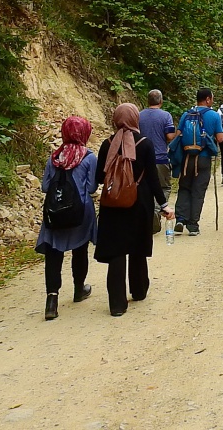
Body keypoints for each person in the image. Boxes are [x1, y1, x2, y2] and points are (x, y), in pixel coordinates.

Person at [95, 103, 171, 316]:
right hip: (139, 203)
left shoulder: (106, 144)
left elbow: (99, 177)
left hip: (113, 205)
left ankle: (117, 304)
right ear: (135, 119)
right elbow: (154, 179)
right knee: (137, 248)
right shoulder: (145, 144)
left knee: (117, 252)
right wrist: (163, 204)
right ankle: (138, 290)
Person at [35, 115, 97, 320]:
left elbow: (45, 187)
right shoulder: (89, 157)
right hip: (80, 212)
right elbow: (91, 188)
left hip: (55, 212)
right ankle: (79, 289)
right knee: (80, 249)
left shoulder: (54, 158)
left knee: (53, 254)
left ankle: (51, 301)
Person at [171, 88, 222, 236]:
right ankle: (193, 226)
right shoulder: (214, 115)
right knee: (198, 191)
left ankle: (180, 219)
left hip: (187, 159)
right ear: (207, 99)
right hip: (204, 158)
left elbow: (178, 135)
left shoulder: (186, 115)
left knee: (184, 188)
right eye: (211, 98)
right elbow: (220, 138)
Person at [138, 89, 176, 200]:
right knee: (164, 187)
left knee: (145, 188)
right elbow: (169, 136)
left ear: (148, 101)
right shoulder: (166, 116)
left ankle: (148, 214)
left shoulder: (139, 115)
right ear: (161, 101)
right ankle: (158, 211)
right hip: (160, 158)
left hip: (142, 160)